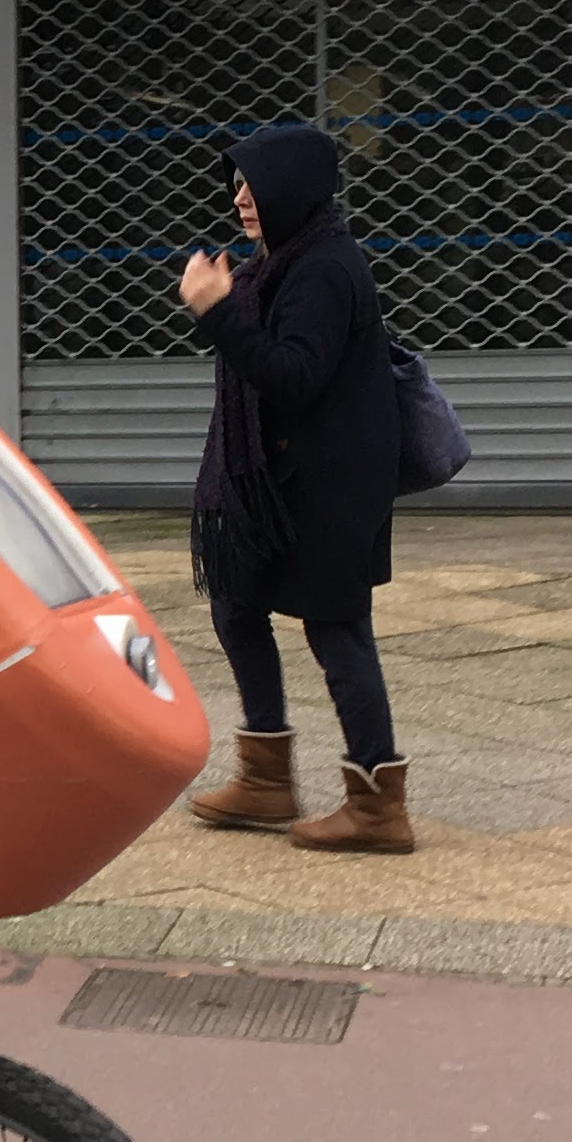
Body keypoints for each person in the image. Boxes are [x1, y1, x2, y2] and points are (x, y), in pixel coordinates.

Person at [175, 119, 412, 855]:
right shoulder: (278, 262)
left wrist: (217, 313)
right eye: (238, 183)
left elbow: (293, 376)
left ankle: (377, 807)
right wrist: (227, 305)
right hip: (277, 484)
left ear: (296, 190)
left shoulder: (325, 270)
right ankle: (266, 777)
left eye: (255, 183)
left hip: (330, 486)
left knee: (338, 631)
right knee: (236, 603)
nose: (241, 197)